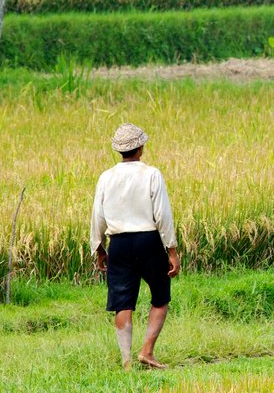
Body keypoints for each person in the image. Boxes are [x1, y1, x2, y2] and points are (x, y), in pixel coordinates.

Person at [90, 123, 180, 370]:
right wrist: (171, 250)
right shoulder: (151, 174)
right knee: (161, 296)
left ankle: (127, 362)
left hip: (118, 243)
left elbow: (98, 216)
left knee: (123, 301)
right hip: (148, 241)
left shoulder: (106, 177)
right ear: (140, 147)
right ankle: (147, 351)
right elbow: (163, 215)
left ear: (119, 150)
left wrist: (99, 248)